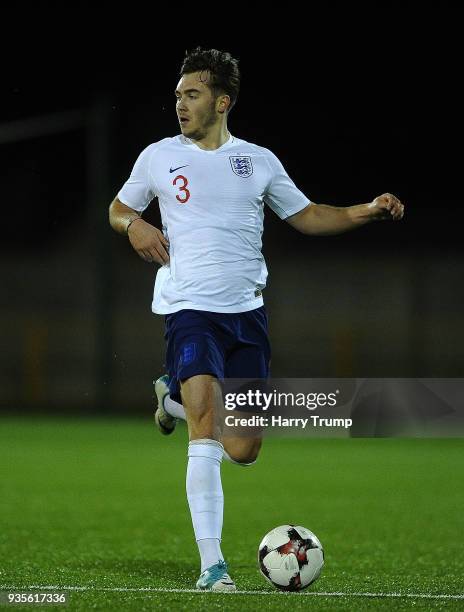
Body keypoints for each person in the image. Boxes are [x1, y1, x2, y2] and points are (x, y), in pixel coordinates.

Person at [109, 47, 404, 592]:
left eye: (192, 94)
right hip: (190, 308)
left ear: (222, 101)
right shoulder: (158, 156)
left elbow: (309, 216)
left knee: (243, 449)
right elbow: (118, 207)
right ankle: (212, 567)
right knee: (204, 426)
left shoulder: (259, 161)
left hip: (246, 315)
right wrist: (134, 227)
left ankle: (168, 396)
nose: (180, 103)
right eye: (177, 95)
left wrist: (365, 210)